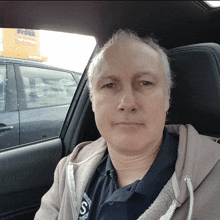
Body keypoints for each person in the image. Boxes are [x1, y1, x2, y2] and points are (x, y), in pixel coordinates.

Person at [34, 30, 220, 220]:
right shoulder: (68, 170)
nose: (128, 103)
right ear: (93, 99)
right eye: (109, 85)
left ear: (167, 98)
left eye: (145, 83)